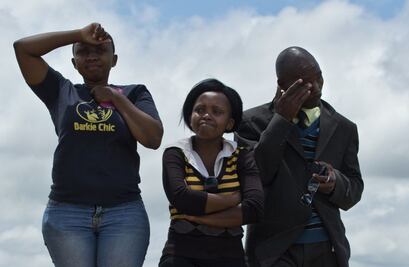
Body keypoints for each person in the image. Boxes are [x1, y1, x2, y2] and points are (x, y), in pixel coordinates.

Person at [13, 23, 163, 267]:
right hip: (67, 212)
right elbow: (23, 49)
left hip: (123, 213)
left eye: (100, 50)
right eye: (83, 51)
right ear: (73, 62)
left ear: (114, 60)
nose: (92, 56)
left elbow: (153, 138)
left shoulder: (135, 94)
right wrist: (76, 34)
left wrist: (115, 98)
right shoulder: (61, 92)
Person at [235, 46, 363, 267]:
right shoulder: (250, 122)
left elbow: (354, 190)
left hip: (327, 250)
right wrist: (281, 120)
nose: (315, 87)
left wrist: (335, 182)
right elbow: (255, 176)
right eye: (304, 82)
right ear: (282, 85)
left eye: (319, 77)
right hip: (273, 251)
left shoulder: (344, 127)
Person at [159, 79, 264, 267]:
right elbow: (181, 198)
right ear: (190, 115)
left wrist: (198, 217)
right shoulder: (175, 152)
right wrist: (232, 200)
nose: (206, 116)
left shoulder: (241, 155)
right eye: (200, 110)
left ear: (230, 123)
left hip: (230, 256)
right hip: (180, 254)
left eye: (217, 112)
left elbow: (254, 209)